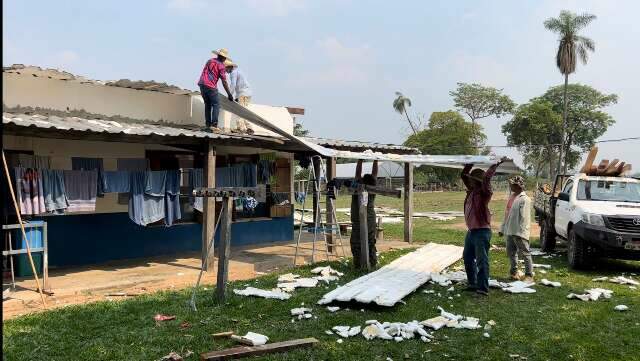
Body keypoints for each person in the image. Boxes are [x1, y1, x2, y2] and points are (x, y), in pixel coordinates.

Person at [460, 157, 507, 296]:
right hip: (471, 231)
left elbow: (486, 179)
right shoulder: (472, 191)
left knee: (482, 260)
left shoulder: (484, 193)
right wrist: (470, 162)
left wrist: (495, 164)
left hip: (482, 231)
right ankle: (473, 283)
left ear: (476, 181)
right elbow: (463, 175)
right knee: (467, 257)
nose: (470, 180)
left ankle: (482, 288)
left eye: (472, 179)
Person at [499, 176, 533, 282]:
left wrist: (522, 233)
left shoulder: (525, 199)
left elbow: (525, 218)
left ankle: (529, 275)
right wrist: (502, 228)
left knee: (525, 253)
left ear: (517, 185)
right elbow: (507, 214)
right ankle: (514, 273)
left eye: (512, 184)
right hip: (510, 230)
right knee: (511, 252)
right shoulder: (512, 197)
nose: (510, 186)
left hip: (519, 232)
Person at [350, 160, 379, 269]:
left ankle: (358, 264)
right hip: (370, 218)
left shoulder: (358, 185)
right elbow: (375, 174)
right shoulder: (373, 186)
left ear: (362, 180)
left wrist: (360, 160)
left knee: (356, 241)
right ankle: (372, 262)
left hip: (358, 218)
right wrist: (376, 160)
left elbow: (357, 173)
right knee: (370, 241)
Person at [197, 48, 234, 131]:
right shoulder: (221, 66)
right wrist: (229, 94)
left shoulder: (210, 60)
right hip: (210, 86)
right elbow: (224, 82)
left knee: (207, 105)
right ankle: (214, 125)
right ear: (224, 58)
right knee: (216, 105)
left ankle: (207, 124)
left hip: (202, 84)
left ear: (218, 55)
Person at [224, 59, 254, 134]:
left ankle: (245, 128)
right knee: (242, 110)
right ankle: (245, 128)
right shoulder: (238, 71)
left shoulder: (233, 73)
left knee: (241, 111)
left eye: (225, 69)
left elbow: (233, 85)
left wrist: (230, 95)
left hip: (243, 94)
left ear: (229, 67)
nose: (225, 71)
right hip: (245, 93)